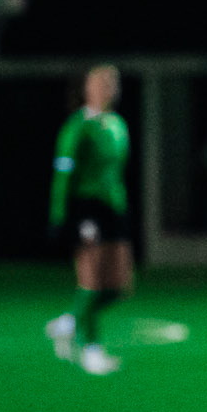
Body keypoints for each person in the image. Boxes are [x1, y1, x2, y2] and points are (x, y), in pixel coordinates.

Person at [44, 63, 134, 375]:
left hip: (113, 210)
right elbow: (63, 172)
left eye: (112, 83)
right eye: (100, 83)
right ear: (87, 88)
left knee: (121, 286)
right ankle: (91, 350)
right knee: (91, 279)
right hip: (86, 210)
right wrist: (59, 212)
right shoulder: (77, 126)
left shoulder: (118, 124)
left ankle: (70, 321)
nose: (107, 88)